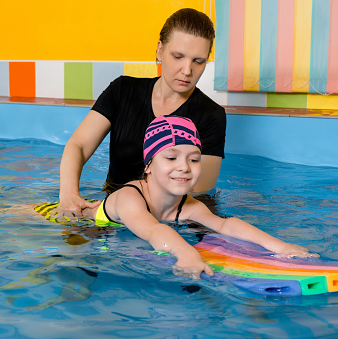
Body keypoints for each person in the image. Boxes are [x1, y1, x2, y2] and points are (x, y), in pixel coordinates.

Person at [90, 115, 317, 279]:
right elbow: (153, 230)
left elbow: (225, 225)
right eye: (171, 158)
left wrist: (279, 246)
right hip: (85, 228)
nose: (184, 167)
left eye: (194, 159)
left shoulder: (189, 206)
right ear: (148, 165)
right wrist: (185, 252)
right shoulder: (130, 197)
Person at [59, 8, 226, 221]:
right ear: (159, 50)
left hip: (173, 218)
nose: (187, 70)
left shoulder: (211, 115)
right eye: (178, 56)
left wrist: (131, 209)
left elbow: (196, 191)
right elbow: (78, 146)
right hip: (110, 208)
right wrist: (69, 195)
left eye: (198, 61)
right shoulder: (122, 90)